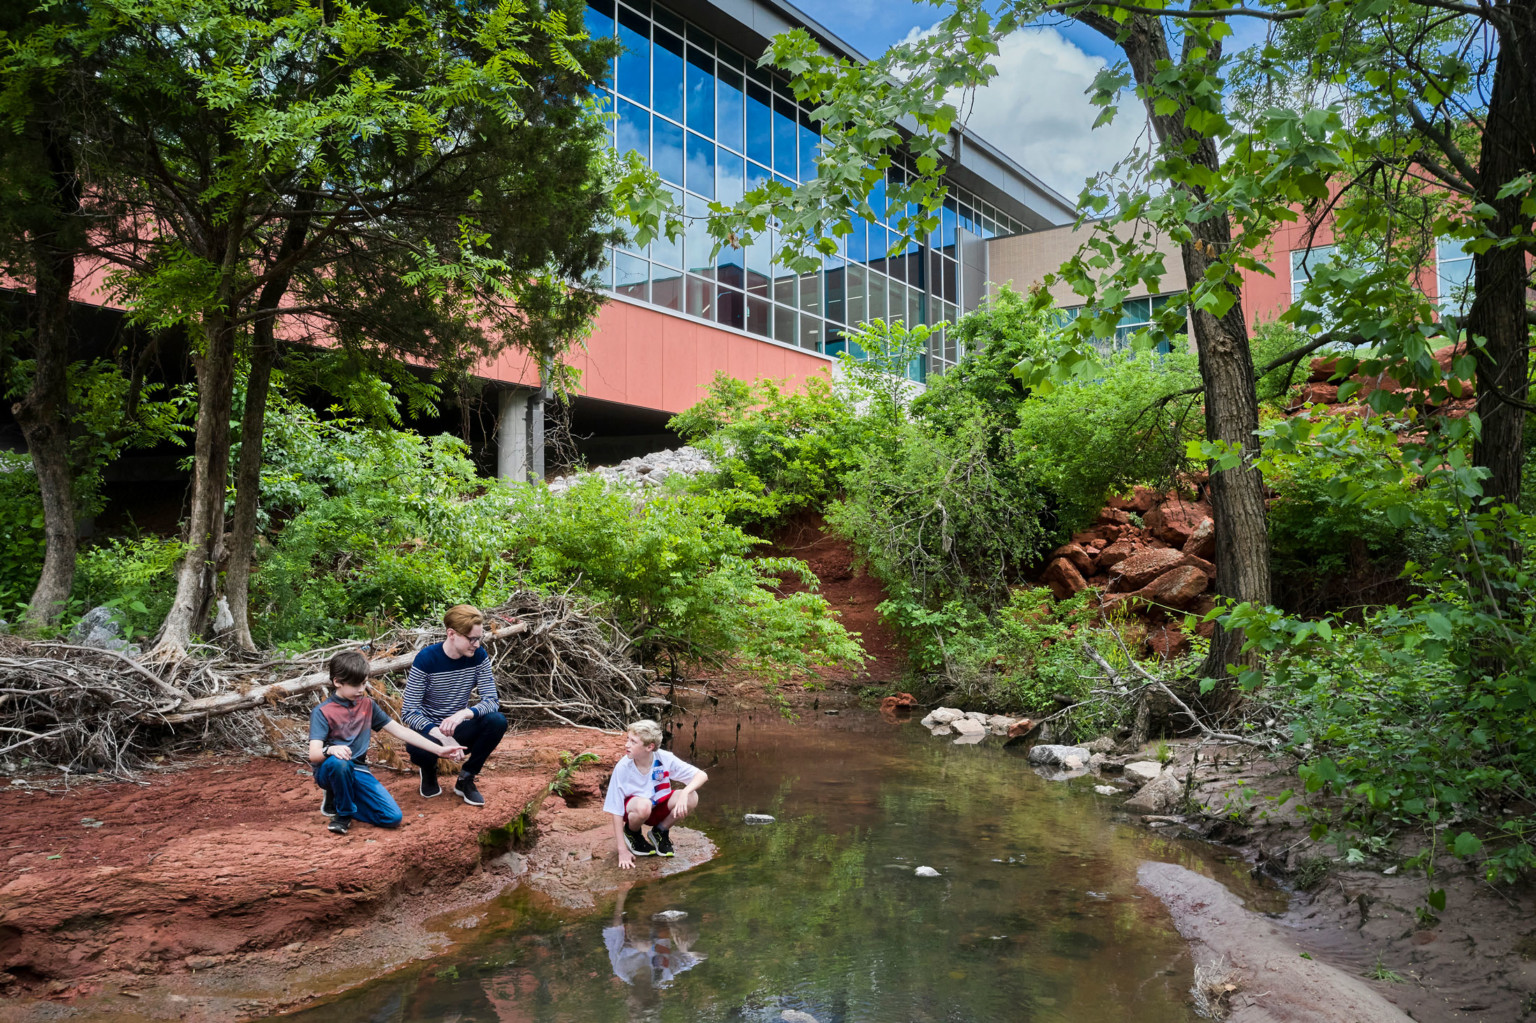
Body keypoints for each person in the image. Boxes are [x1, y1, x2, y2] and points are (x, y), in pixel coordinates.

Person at [310, 650, 464, 836]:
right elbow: (314, 754)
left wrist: (439, 750)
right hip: (330, 768)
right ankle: (343, 815)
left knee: (392, 818)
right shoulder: (322, 711)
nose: (361, 689)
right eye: (355, 685)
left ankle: (341, 797)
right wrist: (331, 749)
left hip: (357, 769)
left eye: (364, 683)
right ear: (337, 682)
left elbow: (401, 731)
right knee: (339, 762)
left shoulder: (367, 705)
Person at [401, 604, 508, 807]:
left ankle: (466, 778)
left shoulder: (479, 657)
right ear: (452, 634)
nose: (476, 644)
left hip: (458, 728)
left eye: (479, 638)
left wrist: (464, 714)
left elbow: (491, 701)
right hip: (430, 732)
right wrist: (441, 736)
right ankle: (428, 769)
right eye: (472, 639)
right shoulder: (426, 659)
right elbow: (409, 712)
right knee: (417, 747)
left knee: (497, 721)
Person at [604, 719, 707, 867]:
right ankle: (632, 833)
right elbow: (615, 809)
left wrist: (684, 793)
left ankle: (660, 831)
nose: (627, 745)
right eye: (628, 739)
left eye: (633, 742)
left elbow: (702, 775)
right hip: (637, 810)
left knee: (692, 796)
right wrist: (622, 850)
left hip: (658, 807)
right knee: (644, 805)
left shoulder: (664, 758)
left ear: (649, 747)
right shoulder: (623, 767)